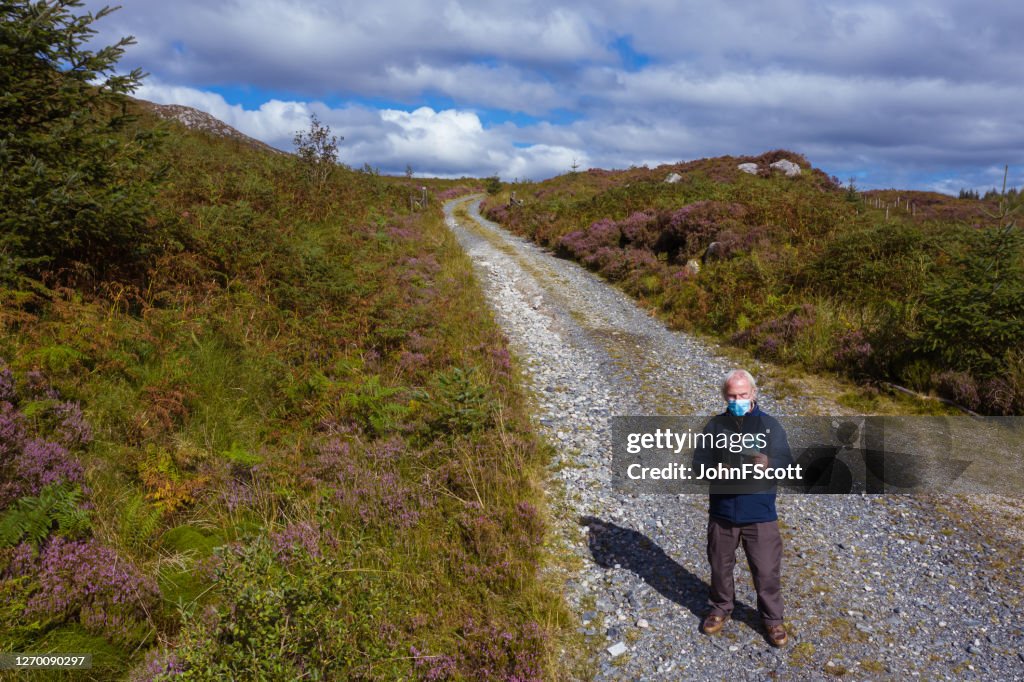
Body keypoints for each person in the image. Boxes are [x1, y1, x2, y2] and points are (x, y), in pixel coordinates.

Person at [692, 369, 792, 647]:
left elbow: (788, 464)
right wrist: (714, 469)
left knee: (766, 569)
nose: (738, 400)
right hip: (722, 512)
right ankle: (720, 607)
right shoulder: (714, 426)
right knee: (719, 565)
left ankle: (773, 619)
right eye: (733, 395)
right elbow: (698, 465)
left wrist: (768, 464)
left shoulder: (771, 426)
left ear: (754, 394)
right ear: (725, 396)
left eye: (743, 395)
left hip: (759, 513)